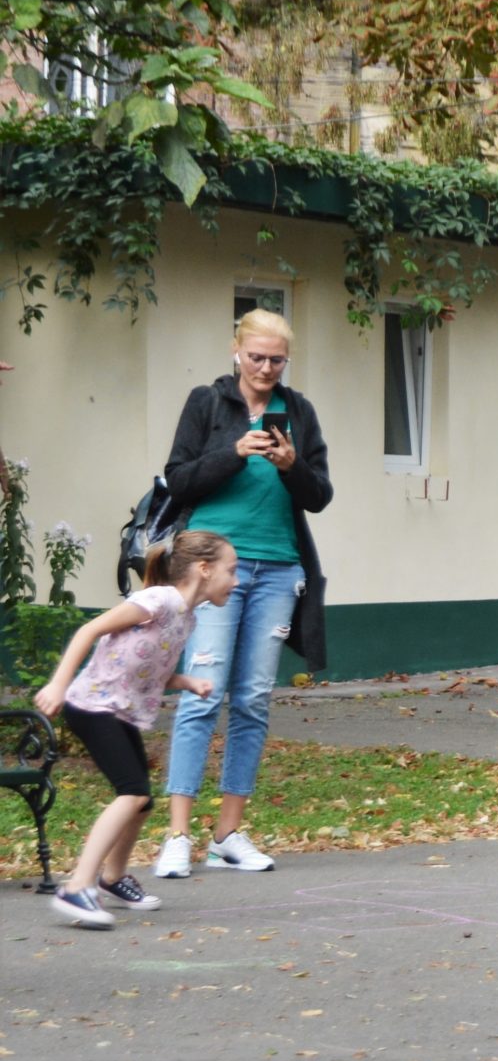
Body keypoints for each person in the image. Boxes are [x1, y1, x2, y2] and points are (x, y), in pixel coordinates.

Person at [153, 308, 333, 879]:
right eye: (256, 357)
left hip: (279, 568)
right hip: (210, 571)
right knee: (202, 693)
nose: (265, 368)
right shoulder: (207, 403)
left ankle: (227, 833)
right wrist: (233, 452)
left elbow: (320, 495)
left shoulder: (298, 411)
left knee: (253, 699)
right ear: (236, 351)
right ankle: (177, 835)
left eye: (276, 360)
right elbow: (178, 479)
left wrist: (289, 464)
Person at [33, 532, 233, 928]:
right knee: (131, 793)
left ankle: (111, 878)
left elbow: (147, 665)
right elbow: (89, 631)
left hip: (118, 710)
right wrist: (57, 684)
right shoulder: (157, 601)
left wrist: (187, 682)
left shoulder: (187, 618)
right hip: (90, 705)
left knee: (142, 802)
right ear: (204, 569)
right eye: (232, 570)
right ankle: (78, 886)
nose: (237, 579)